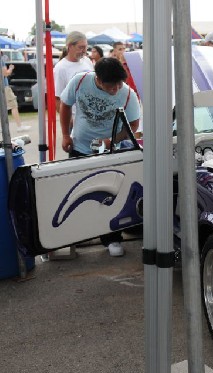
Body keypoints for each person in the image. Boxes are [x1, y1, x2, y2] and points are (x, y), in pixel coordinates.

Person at [59, 57, 141, 257]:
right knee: (76, 193)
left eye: (119, 84)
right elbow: (65, 105)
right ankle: (77, 235)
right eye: (110, 85)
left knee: (109, 196)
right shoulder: (80, 81)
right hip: (79, 146)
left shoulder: (127, 94)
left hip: (110, 153)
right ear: (98, 78)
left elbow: (134, 126)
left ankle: (111, 238)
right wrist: (65, 134)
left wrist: (110, 141)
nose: (116, 89)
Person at [53, 31, 94, 112]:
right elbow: (57, 98)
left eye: (85, 47)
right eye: (80, 47)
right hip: (74, 115)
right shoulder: (60, 67)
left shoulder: (87, 61)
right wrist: (67, 121)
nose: (84, 51)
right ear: (70, 46)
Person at [1, 51, 30, 132]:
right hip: (4, 86)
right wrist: (10, 68)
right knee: (13, 104)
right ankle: (19, 126)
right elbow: (5, 73)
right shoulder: (1, 60)